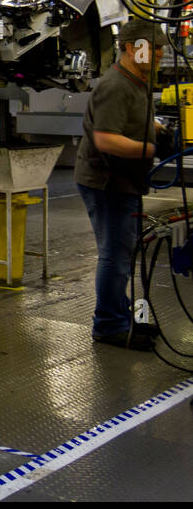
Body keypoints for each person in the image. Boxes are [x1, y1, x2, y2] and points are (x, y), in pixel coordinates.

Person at [75, 18, 168, 351]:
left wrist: (157, 128)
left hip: (125, 180)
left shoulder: (137, 80)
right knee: (115, 256)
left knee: (123, 252)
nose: (160, 54)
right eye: (154, 48)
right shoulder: (116, 85)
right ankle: (109, 326)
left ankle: (120, 317)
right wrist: (150, 149)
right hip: (106, 182)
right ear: (132, 48)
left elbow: (130, 119)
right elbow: (106, 139)